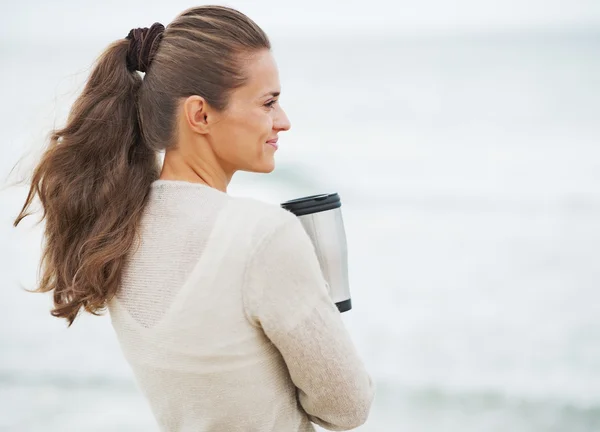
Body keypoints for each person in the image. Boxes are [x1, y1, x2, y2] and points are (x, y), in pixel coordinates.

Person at [14, 5, 374, 431]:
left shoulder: (114, 232)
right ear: (200, 114)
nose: (284, 121)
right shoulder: (262, 236)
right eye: (268, 102)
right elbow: (347, 408)